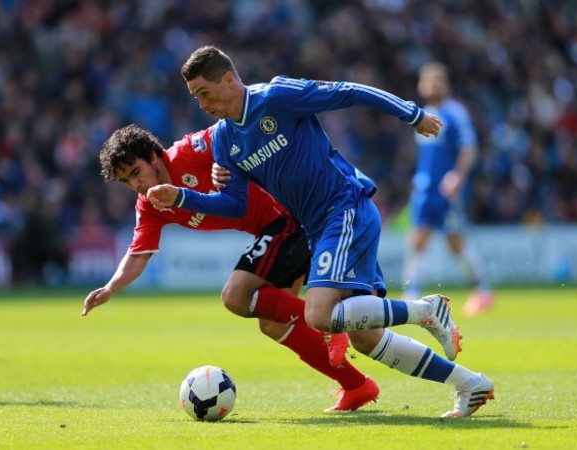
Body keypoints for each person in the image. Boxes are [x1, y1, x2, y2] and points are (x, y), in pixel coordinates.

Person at [148, 45, 494, 418]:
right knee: (365, 336)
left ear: (229, 80)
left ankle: (425, 311)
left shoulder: (277, 96)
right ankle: (470, 384)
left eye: (204, 92)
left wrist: (411, 113)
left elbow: (349, 92)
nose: (201, 104)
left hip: (344, 207)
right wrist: (184, 197)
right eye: (195, 97)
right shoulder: (224, 141)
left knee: (319, 314)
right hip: (319, 227)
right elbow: (235, 203)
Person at [81, 123, 380, 412]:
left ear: (153, 156)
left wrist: (226, 159)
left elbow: (233, 129)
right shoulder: (149, 205)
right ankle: (357, 386)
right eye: (127, 181)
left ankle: (328, 324)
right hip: (273, 230)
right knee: (274, 323)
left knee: (235, 295)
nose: (136, 184)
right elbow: (138, 255)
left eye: (136, 173)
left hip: (287, 216)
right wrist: (111, 287)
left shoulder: (189, 151)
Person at [403, 62, 494, 317]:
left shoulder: (455, 113)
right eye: (428, 80)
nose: (433, 85)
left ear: (446, 84)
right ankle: (411, 294)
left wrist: (457, 176)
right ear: (421, 85)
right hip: (424, 190)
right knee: (417, 240)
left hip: (447, 191)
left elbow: (468, 149)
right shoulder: (421, 114)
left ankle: (483, 291)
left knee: (456, 242)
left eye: (438, 80)